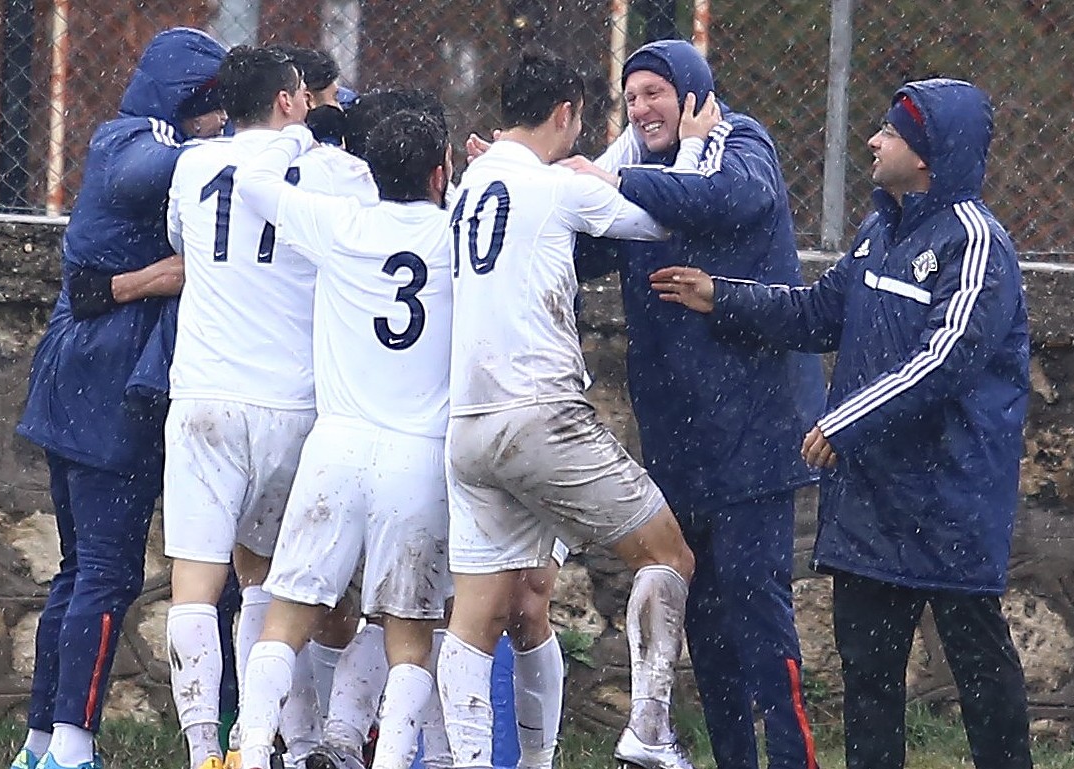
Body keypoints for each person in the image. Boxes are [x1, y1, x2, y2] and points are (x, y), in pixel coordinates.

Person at [649, 77, 1033, 769]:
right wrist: (725, 297)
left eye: (890, 132)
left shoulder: (978, 244)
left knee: (982, 675)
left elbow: (944, 360)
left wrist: (842, 422)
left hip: (950, 507)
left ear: (926, 154)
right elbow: (820, 313)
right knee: (868, 686)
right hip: (872, 508)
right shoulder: (878, 229)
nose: (872, 140)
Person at [562, 39, 825, 769]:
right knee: (702, 622)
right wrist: (527, 182)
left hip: (757, 434)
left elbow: (739, 198)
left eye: (655, 92)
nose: (643, 108)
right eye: (632, 96)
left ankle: (793, 760)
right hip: (681, 439)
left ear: (690, 93)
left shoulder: (738, 142)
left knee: (757, 609)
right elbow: (586, 248)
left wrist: (611, 176)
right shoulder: (640, 174)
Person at [439, 50, 696, 769]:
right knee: (667, 553)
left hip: (468, 424)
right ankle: (648, 731)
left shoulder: (468, 185)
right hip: (539, 414)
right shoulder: (555, 189)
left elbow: (560, 180)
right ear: (566, 113)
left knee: (481, 614)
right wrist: (697, 145)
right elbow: (653, 220)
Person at [11, 26, 227, 769]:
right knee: (102, 572)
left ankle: (43, 743)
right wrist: (257, 148)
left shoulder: (139, 134)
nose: (225, 121)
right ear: (188, 100)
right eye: (218, 107)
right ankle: (71, 747)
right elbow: (146, 172)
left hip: (82, 381)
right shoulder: (129, 141)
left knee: (79, 572)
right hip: (105, 388)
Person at [232, 106, 454, 769]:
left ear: (369, 172)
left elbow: (253, 181)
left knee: (287, 616)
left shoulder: (338, 223)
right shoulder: (454, 238)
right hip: (417, 458)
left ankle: (247, 751)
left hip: (335, 450)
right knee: (410, 634)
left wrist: (299, 130)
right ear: (440, 173)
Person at [160, 44, 352, 769]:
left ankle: (206, 748)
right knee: (272, 580)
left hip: (207, 394)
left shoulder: (193, 165)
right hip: (295, 401)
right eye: (301, 93)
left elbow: (185, 241)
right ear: (286, 100)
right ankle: (267, 742)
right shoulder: (329, 169)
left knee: (197, 581)